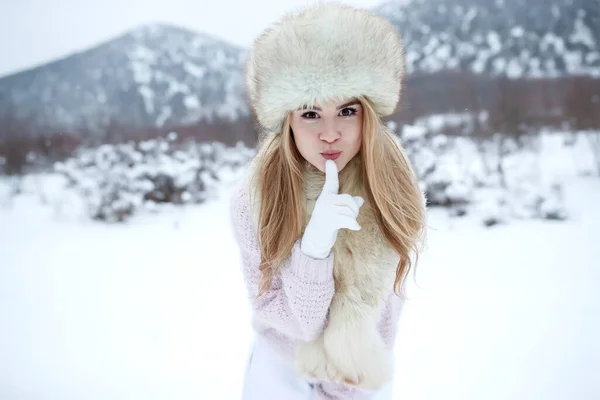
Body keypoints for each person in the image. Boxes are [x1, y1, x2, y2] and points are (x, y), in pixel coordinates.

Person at [230, 3, 427, 399]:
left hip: (364, 378)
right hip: (282, 375)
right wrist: (314, 251)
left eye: (347, 110)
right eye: (311, 113)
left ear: (367, 114)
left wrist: (353, 385)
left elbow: (386, 315)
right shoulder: (256, 197)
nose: (331, 133)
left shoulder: (394, 186)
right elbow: (286, 319)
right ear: (288, 119)